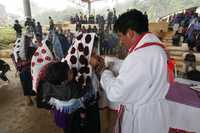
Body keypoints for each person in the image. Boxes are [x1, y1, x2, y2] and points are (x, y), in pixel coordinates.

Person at [90, 9, 169, 133]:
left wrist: (104, 71)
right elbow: (138, 72)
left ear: (131, 33)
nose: (120, 42)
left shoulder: (139, 57)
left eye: (120, 36)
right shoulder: (155, 48)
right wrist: (113, 64)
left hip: (141, 121)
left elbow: (116, 93)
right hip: (155, 115)